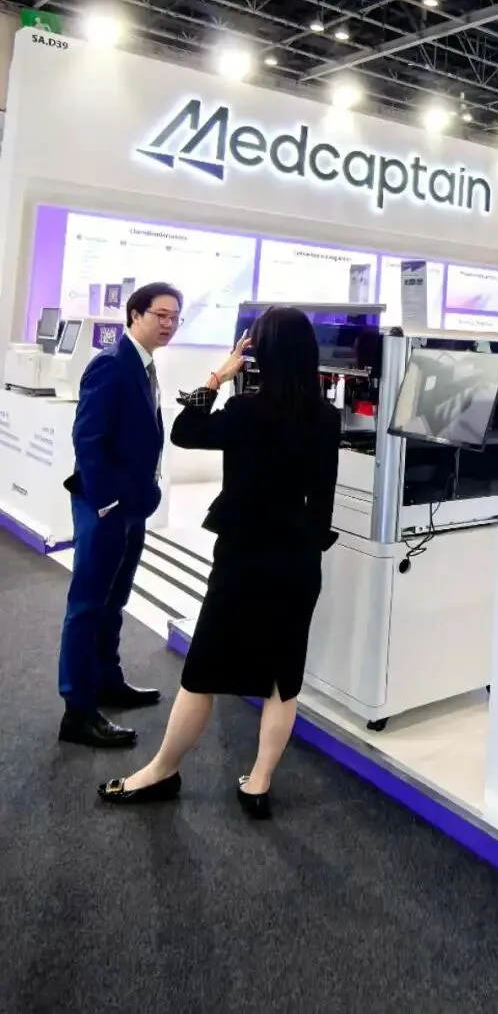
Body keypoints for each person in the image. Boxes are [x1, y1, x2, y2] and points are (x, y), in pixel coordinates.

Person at [97, 306, 340, 817]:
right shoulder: (325, 417)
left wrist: (218, 376)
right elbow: (323, 501)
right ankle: (259, 783)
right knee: (283, 679)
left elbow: (184, 430)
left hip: (243, 559)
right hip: (298, 563)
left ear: (260, 353)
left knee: (202, 672)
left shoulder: (247, 410)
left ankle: (162, 770)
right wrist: (306, 546)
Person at [58, 282, 183, 749]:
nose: (168, 324)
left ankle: (107, 681)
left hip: (131, 507)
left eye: (175, 317)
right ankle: (77, 710)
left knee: (114, 600)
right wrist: (107, 502)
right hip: (105, 507)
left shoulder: (144, 365)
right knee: (87, 605)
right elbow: (87, 438)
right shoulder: (111, 363)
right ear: (135, 315)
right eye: (160, 315)